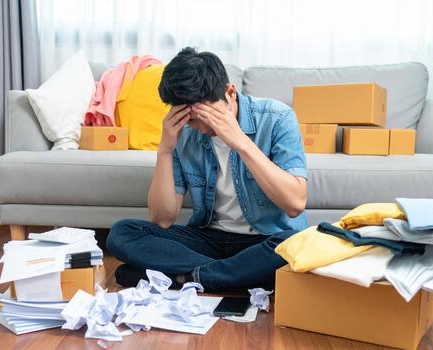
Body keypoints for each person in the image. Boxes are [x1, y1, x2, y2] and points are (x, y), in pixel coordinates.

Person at [107, 47, 308, 291]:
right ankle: (236, 276)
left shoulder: (277, 118)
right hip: (210, 239)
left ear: (230, 92)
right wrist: (165, 150)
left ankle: (189, 277)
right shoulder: (184, 133)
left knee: (296, 244)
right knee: (123, 232)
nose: (201, 128)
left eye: (208, 116)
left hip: (266, 239)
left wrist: (241, 143)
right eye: (192, 119)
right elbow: (162, 219)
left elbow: (295, 204)